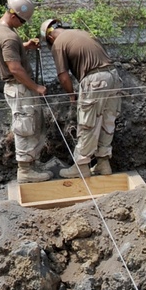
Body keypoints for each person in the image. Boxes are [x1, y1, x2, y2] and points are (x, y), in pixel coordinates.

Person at [40, 20, 122, 179]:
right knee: (108, 120)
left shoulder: (58, 43)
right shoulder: (81, 32)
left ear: (49, 37)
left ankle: (81, 166)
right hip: (113, 76)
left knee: (87, 123)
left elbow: (63, 77)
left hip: (95, 80)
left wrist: (71, 94)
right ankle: (103, 163)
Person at [0, 0, 49, 184]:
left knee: (32, 124)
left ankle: (32, 163)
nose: (23, 25)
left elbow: (11, 53)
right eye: (23, 21)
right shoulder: (7, 36)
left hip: (20, 87)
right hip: (19, 88)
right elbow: (14, 68)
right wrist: (36, 87)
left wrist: (26, 46)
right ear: (14, 15)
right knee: (24, 126)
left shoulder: (2, 28)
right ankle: (25, 170)